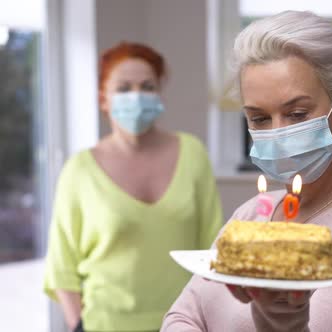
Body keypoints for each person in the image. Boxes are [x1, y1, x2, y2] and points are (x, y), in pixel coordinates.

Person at [162, 11, 332, 332]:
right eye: (260, 118)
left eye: (297, 113)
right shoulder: (253, 214)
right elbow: (181, 318)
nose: (277, 134)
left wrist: (283, 321)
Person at [43, 42, 224, 332]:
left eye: (147, 86)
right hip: (104, 324)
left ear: (159, 94)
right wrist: (78, 323)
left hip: (184, 322)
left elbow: (214, 245)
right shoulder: (79, 170)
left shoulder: (193, 153)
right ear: (104, 99)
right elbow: (61, 265)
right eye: (124, 88)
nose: (137, 96)